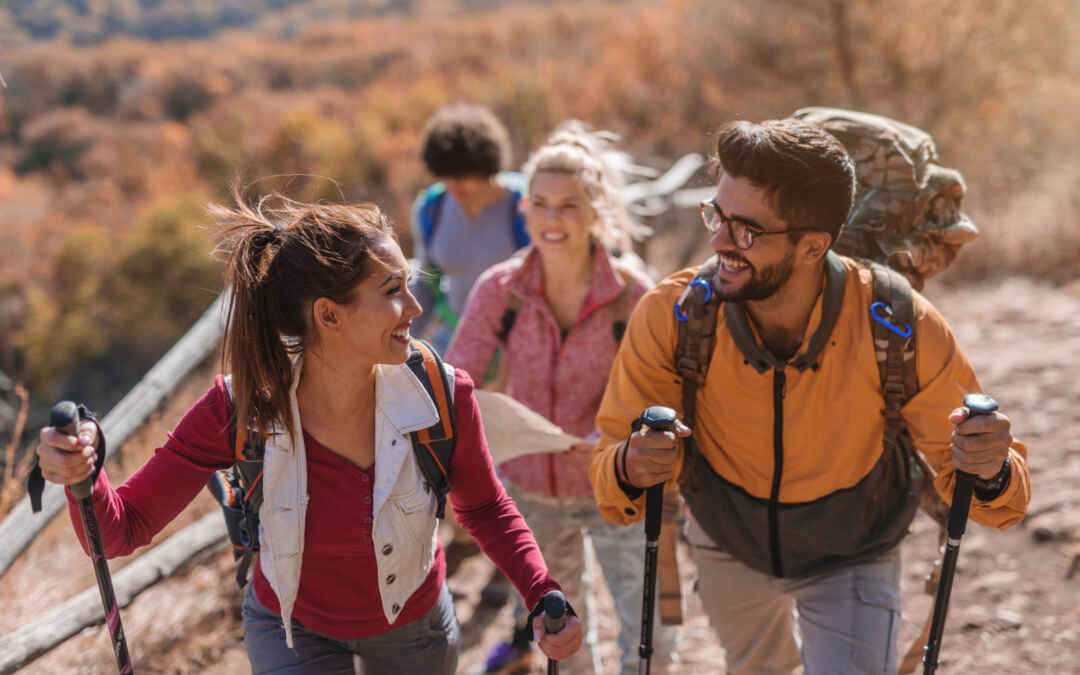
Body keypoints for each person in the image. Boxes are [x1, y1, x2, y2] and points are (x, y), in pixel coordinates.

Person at [34, 192, 582, 674]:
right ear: (329, 315)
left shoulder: (440, 392)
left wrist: (541, 591)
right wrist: (81, 472)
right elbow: (119, 531)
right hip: (291, 629)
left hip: (413, 627)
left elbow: (484, 508)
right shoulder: (240, 407)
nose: (415, 308)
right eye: (393, 290)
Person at [589, 118, 1031, 674]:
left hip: (853, 548)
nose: (719, 240)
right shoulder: (676, 314)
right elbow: (610, 468)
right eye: (716, 215)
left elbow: (994, 494)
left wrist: (988, 469)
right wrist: (631, 464)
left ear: (812, 246)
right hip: (728, 541)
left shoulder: (896, 324)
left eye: (746, 230)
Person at [446, 121, 676, 675]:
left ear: (597, 209)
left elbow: (662, 393)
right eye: (540, 204)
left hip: (621, 489)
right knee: (566, 642)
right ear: (524, 210)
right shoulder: (500, 291)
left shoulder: (633, 294)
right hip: (532, 495)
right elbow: (454, 383)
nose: (552, 220)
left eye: (568, 205)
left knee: (653, 640)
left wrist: (613, 442)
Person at [410, 103, 531, 352]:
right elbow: (426, 284)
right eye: (447, 176)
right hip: (453, 346)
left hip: (516, 351)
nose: (455, 186)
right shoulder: (431, 208)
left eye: (464, 175)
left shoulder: (524, 205)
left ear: (486, 165)